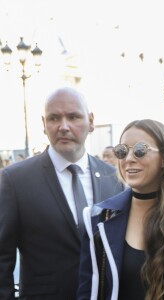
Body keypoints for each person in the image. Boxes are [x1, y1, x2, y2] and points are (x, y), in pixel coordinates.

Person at [0, 87, 124, 300]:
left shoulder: (113, 178)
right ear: (44, 125)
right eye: (54, 118)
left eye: (73, 117)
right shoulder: (15, 180)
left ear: (91, 121)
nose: (63, 126)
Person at [77, 119, 164, 300]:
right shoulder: (99, 218)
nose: (129, 159)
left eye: (140, 150)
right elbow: (88, 290)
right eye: (121, 151)